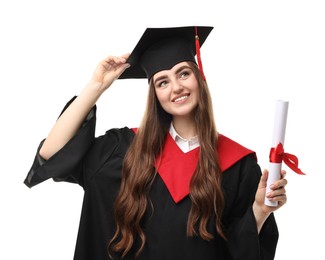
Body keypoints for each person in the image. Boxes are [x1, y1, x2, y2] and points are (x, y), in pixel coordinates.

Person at [24, 26, 287, 260]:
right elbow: (52, 153)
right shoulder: (122, 149)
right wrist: (96, 86)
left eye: (183, 73)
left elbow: (240, 249)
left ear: (199, 77)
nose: (176, 87)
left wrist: (260, 210)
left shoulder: (237, 165)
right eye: (163, 81)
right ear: (155, 94)